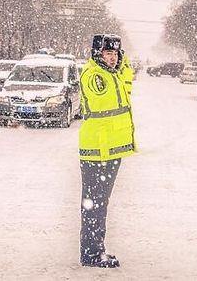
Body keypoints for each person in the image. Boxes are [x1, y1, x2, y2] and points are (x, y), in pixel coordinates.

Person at [78, 34, 136, 269]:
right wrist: (120, 71)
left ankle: (95, 249)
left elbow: (127, 83)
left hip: (111, 150)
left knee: (101, 201)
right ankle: (91, 253)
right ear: (97, 55)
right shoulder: (94, 76)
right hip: (97, 150)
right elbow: (106, 100)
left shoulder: (114, 74)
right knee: (94, 203)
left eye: (115, 54)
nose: (112, 59)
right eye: (108, 54)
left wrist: (124, 64)